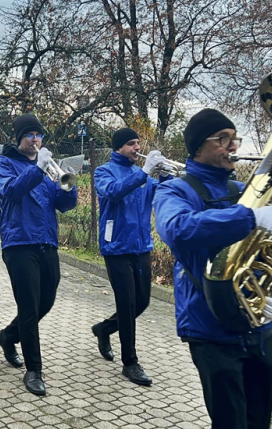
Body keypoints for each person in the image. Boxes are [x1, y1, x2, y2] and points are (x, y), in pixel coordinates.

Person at [153, 108, 272, 429]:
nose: (233, 146)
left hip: (259, 328)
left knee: (259, 420)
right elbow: (178, 228)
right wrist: (250, 218)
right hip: (210, 330)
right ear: (198, 146)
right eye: (222, 139)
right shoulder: (175, 191)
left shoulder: (245, 191)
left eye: (234, 139)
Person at [0, 113, 77, 396]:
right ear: (19, 139)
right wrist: (38, 169)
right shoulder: (3, 164)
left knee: (47, 301)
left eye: (38, 135)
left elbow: (64, 205)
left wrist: (68, 186)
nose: (35, 140)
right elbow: (11, 192)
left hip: (46, 241)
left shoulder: (48, 167)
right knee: (29, 306)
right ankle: (34, 369)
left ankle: (7, 336)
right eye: (30, 135)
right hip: (18, 243)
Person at [91, 128, 172, 386]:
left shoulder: (144, 176)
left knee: (142, 302)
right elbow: (113, 192)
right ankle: (130, 362)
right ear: (118, 148)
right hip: (116, 247)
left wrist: (168, 177)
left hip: (141, 246)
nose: (136, 147)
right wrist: (145, 172)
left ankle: (103, 329)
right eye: (130, 144)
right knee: (126, 304)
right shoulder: (103, 172)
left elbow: (161, 195)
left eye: (138, 143)